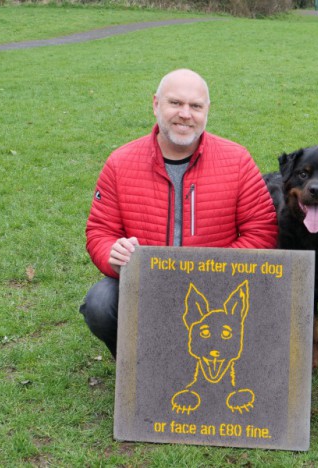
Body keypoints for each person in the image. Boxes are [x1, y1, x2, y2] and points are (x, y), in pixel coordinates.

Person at [80, 69, 278, 358]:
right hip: (147, 283)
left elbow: (262, 231)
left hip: (218, 289)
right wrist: (114, 252)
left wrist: (217, 271)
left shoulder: (237, 160)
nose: (185, 114)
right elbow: (100, 231)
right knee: (100, 302)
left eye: (195, 106)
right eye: (175, 103)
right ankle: (139, 365)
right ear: (156, 104)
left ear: (207, 111)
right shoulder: (120, 163)